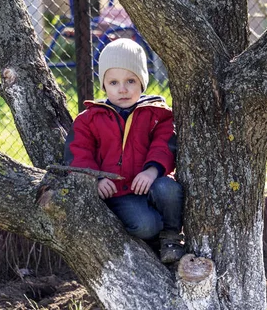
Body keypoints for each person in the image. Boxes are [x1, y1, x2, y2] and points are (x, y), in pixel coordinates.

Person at [64, 38, 185, 264]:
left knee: (169, 189)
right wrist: (97, 178)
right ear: (104, 85)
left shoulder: (157, 114)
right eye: (113, 82)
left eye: (130, 80)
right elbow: (79, 153)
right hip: (118, 192)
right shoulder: (89, 119)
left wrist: (151, 171)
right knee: (146, 225)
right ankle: (150, 240)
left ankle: (171, 237)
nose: (122, 89)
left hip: (150, 183)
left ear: (142, 82)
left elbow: (165, 143)